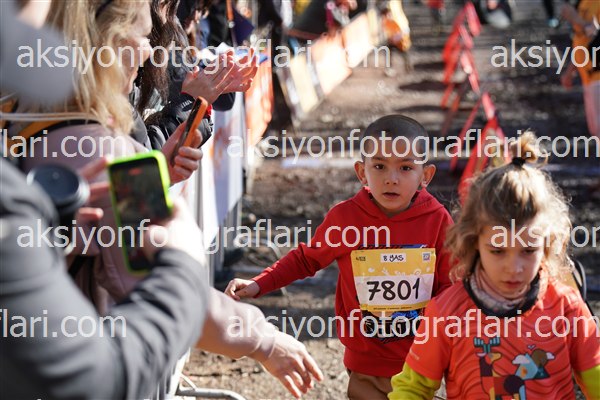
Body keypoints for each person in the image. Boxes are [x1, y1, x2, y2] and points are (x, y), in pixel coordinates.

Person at [225, 115, 453, 399]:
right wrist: (260, 282)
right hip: (366, 363)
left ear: (425, 175)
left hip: (423, 359)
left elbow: (451, 286)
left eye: (405, 167)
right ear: (361, 171)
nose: (391, 178)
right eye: (379, 166)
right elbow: (306, 259)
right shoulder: (346, 219)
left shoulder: (437, 221)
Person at [388, 132, 600, 399]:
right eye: (498, 251)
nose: (514, 267)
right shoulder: (447, 312)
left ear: (548, 244)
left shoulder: (566, 307)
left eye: (528, 250)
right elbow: (412, 388)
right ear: (473, 241)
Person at [559, 1, 600, 138]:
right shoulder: (582, 2)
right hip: (588, 78)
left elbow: (595, 34)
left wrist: (576, 19)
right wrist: (570, 71)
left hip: (597, 75)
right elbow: (580, 41)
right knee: (595, 131)